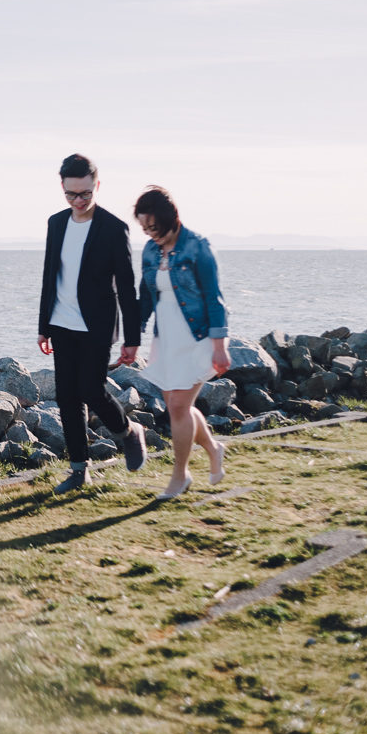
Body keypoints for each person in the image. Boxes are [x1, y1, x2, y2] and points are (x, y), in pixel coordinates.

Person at [38, 154, 148, 494]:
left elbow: (127, 288)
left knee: (92, 389)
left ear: (96, 186)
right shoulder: (56, 223)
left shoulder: (114, 228)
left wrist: (132, 338)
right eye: (71, 194)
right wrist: (43, 325)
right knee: (68, 397)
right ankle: (78, 470)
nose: (79, 201)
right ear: (62, 189)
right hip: (61, 322)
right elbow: (49, 276)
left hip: (97, 325)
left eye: (85, 193)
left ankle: (129, 432)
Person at [133, 186, 232, 500]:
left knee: (177, 405)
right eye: (145, 229)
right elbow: (145, 297)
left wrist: (219, 346)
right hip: (167, 337)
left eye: (154, 227)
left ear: (170, 219)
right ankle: (215, 449)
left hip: (198, 336)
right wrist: (133, 338)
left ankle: (180, 476)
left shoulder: (198, 248)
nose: (150, 234)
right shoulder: (150, 251)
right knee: (180, 407)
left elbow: (215, 300)